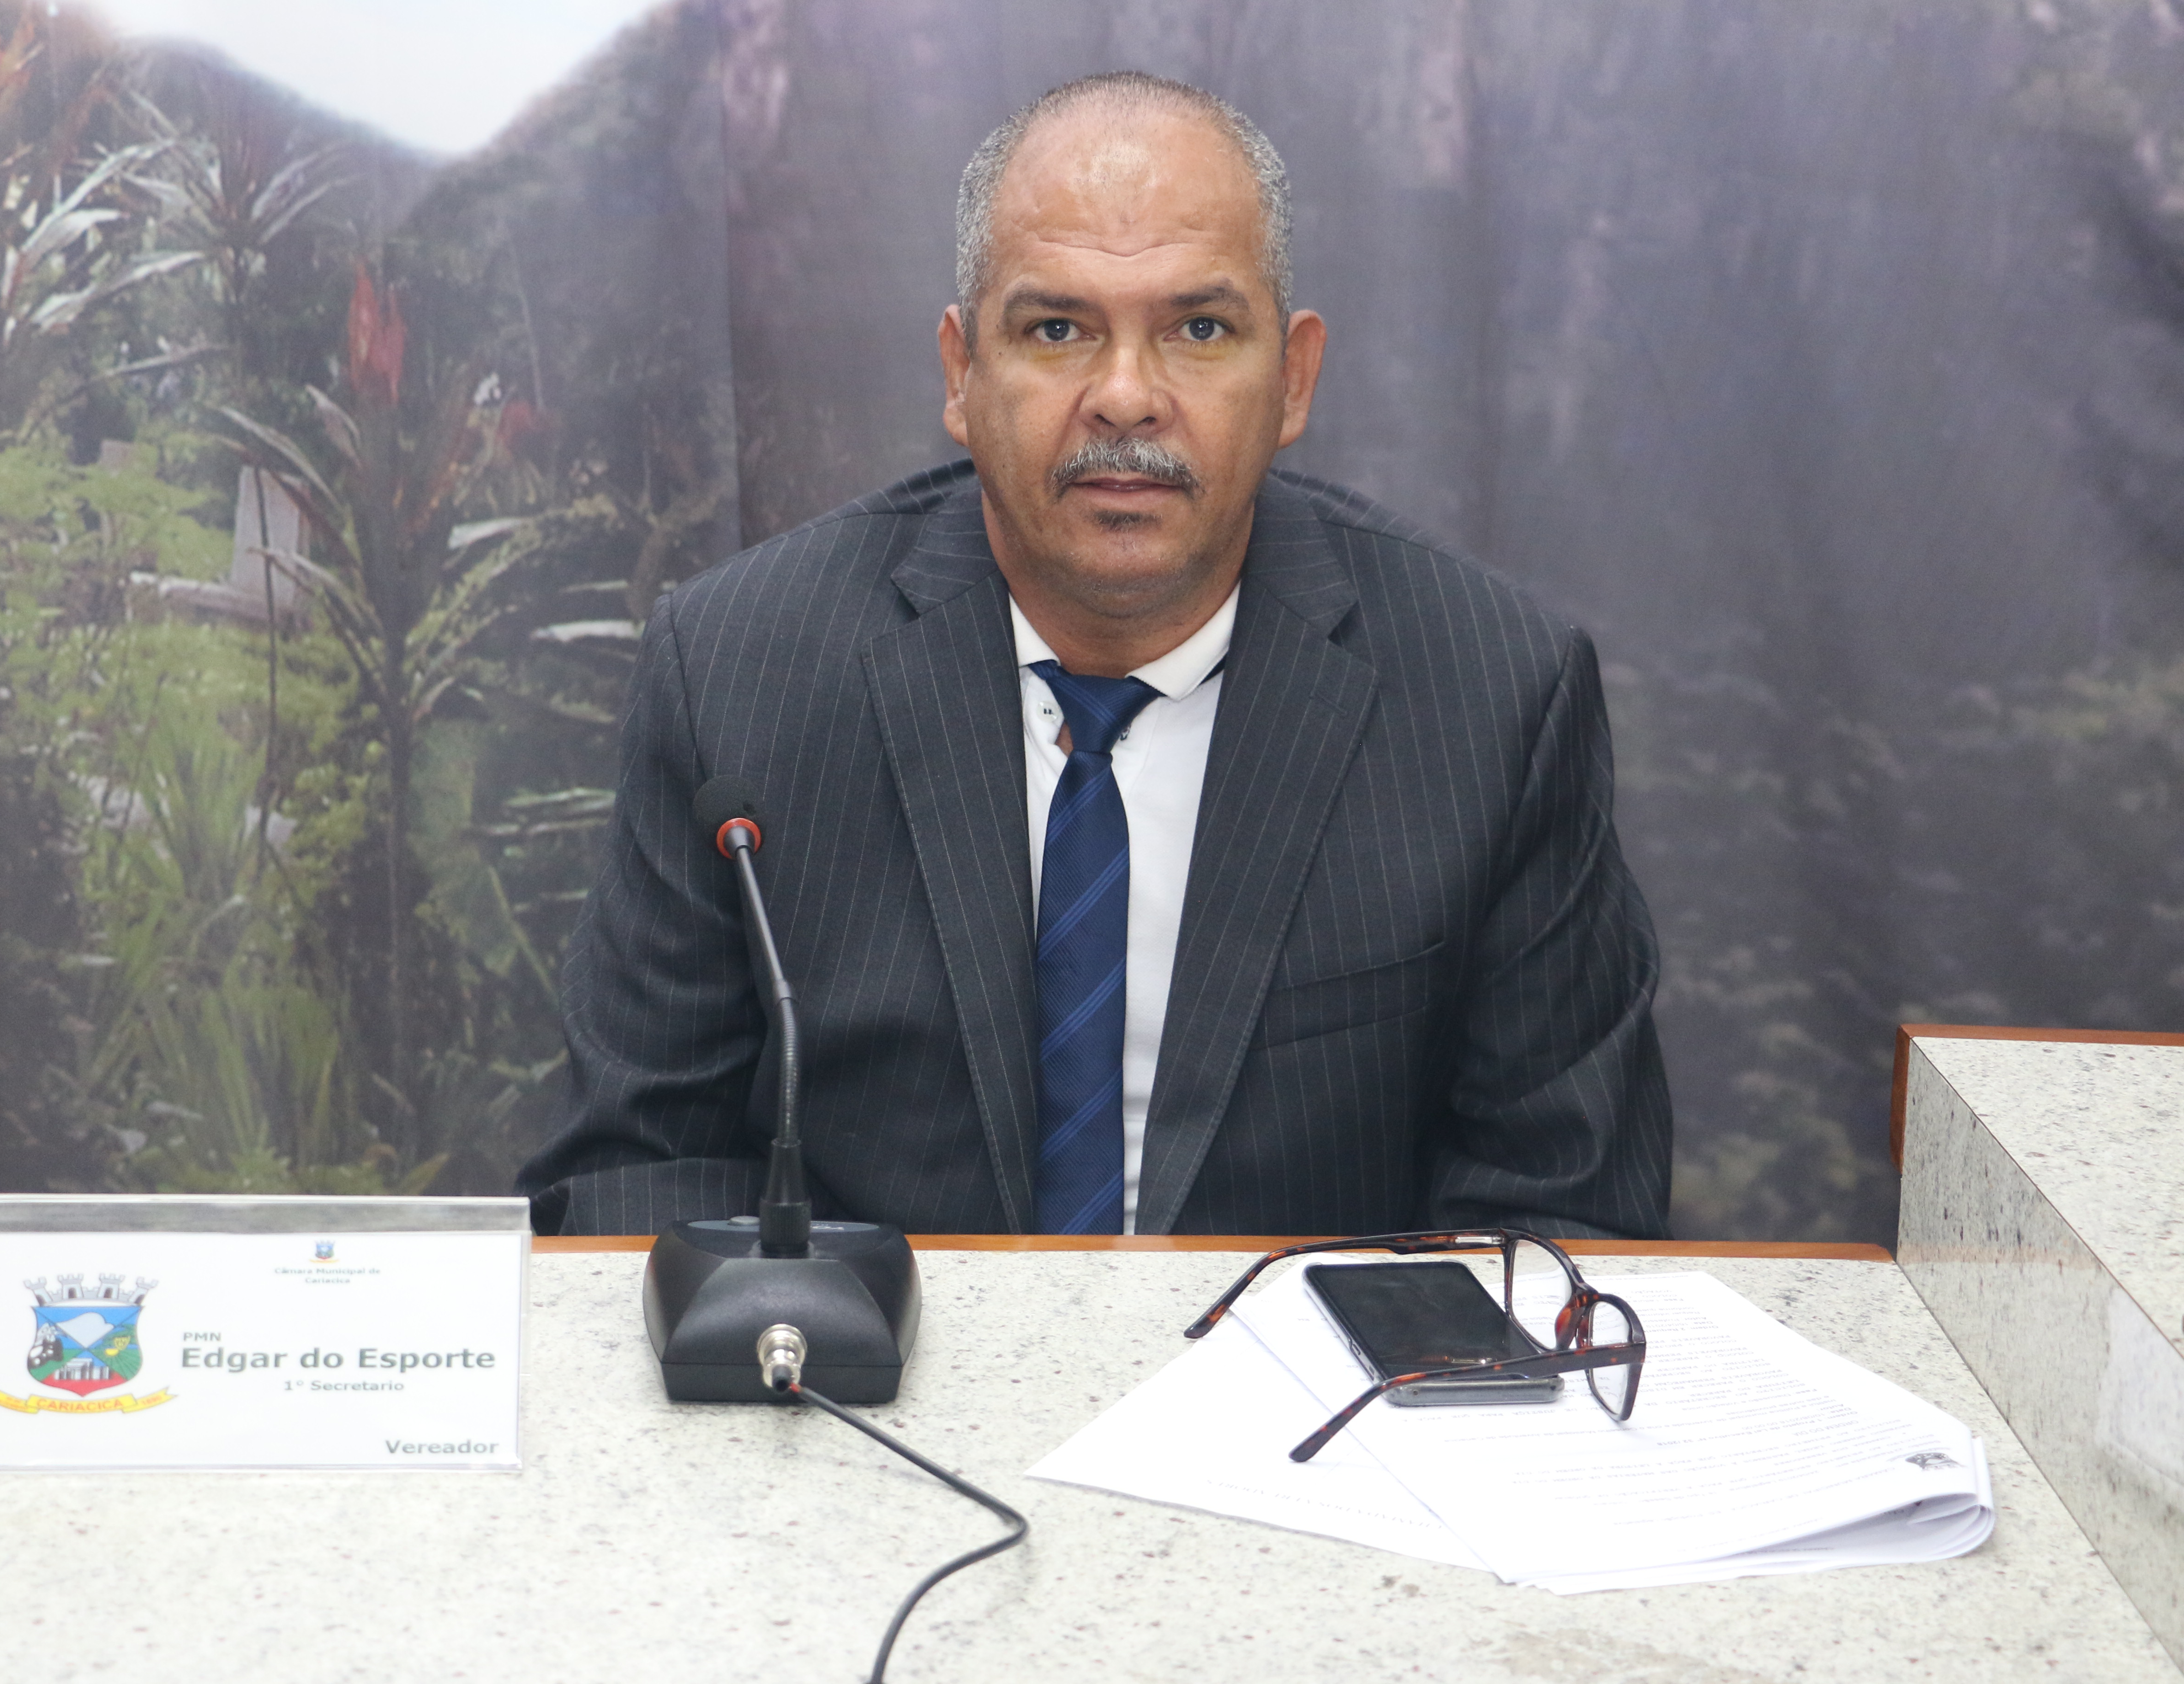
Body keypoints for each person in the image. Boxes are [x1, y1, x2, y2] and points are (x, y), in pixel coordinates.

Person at [519, 72, 1671, 1238]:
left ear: (1294, 379)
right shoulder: (738, 673)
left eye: (1199, 329)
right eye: (1058, 330)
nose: (1126, 398)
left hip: (1310, 1355)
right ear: (962, 374)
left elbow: (1559, 1209)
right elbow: (637, 1168)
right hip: (868, 1346)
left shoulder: (1493, 696)